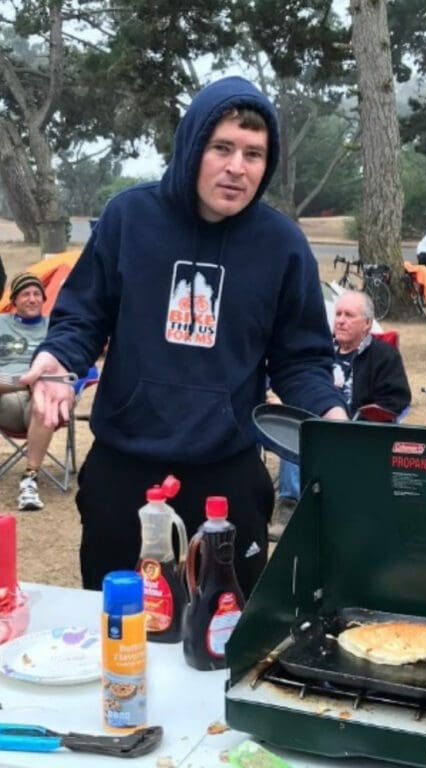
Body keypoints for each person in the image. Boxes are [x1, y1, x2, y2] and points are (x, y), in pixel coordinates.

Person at [22, 76, 347, 595]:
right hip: (125, 467)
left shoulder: (282, 246)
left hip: (228, 471)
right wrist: (58, 361)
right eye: (222, 148)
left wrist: (331, 415)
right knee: (121, 626)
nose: (237, 168)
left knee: (223, 637)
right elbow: (83, 316)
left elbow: (300, 358)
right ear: (193, 145)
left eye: (254, 154)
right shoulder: (130, 217)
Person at [274, 290, 411, 533]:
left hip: (359, 427)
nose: (340, 320)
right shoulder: (319, 352)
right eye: (338, 314)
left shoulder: (383, 356)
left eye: (349, 315)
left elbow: (398, 399)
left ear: (367, 324)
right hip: (316, 420)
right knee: (297, 430)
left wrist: (364, 415)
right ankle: (290, 506)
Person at [0, 273, 60, 511]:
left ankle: (29, 480)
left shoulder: (56, 327)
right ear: (14, 300)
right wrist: (24, 382)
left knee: (43, 392)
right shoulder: (1, 324)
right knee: (38, 384)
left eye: (37, 294)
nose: (32, 299)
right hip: (5, 399)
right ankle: (30, 382)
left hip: (42, 402)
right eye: (25, 294)